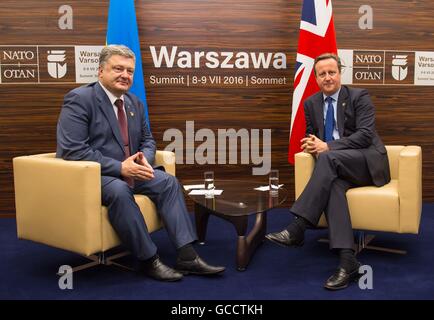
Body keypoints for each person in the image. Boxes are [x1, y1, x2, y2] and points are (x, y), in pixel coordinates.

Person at [56, 44, 225, 282]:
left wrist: (144, 157)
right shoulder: (80, 99)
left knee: (167, 181)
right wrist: (120, 167)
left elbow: (147, 139)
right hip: (97, 176)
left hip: (132, 170)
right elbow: (73, 150)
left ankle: (187, 255)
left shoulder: (134, 103)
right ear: (101, 71)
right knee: (119, 189)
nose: (125, 75)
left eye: (130, 71)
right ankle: (149, 260)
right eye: (118, 69)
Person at [266, 53, 390, 290]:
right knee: (333, 185)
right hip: (335, 167)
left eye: (331, 72)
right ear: (315, 78)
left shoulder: (358, 96)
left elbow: (365, 135)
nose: (328, 77)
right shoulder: (310, 103)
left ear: (339, 73)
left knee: (329, 158)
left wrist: (328, 147)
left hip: (366, 163)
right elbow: (313, 136)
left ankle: (298, 227)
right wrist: (312, 145)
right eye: (322, 74)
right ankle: (347, 260)